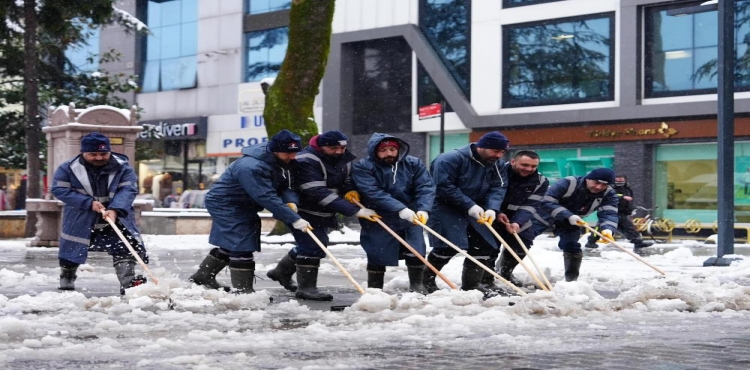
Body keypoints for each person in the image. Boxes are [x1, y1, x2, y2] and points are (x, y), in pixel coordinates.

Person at [189, 129, 310, 293]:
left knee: (236, 240)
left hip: (244, 203)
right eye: (287, 153)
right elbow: (265, 195)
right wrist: (293, 219)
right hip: (226, 203)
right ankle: (243, 291)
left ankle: (203, 276)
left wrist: (290, 202)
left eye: (295, 152)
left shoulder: (282, 162)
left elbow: (285, 186)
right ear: (274, 150)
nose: (292, 157)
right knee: (242, 242)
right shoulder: (251, 167)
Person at [266, 130, 380, 301]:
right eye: (333, 148)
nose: (339, 152)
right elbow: (316, 191)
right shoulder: (306, 160)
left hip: (324, 211)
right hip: (303, 210)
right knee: (313, 247)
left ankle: (281, 272)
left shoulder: (343, 158)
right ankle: (306, 288)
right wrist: (355, 211)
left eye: (342, 148)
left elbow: (347, 179)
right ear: (321, 147)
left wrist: (350, 190)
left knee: (315, 245)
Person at [50, 132, 148, 294]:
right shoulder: (68, 168)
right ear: (83, 152)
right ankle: (67, 277)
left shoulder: (122, 167)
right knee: (72, 248)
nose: (99, 158)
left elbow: (128, 189)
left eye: (103, 153)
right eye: (93, 154)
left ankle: (128, 283)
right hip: (81, 216)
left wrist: (115, 209)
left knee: (123, 246)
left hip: (115, 216)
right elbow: (59, 189)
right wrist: (87, 203)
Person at [422, 131, 509, 293]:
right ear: (482, 146)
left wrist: (492, 208)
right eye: (495, 151)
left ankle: (471, 287)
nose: (499, 155)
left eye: (502, 152)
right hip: (445, 206)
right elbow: (443, 186)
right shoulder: (449, 159)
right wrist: (469, 205)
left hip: (477, 208)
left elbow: (499, 186)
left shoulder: (497, 164)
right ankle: (425, 280)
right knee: (448, 245)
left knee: (483, 245)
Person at [351, 133, 435, 293]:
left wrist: (423, 208)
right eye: (383, 150)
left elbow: (425, 187)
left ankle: (417, 286)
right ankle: (375, 289)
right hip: (379, 216)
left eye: (392, 149)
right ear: (374, 150)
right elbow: (372, 192)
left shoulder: (413, 163)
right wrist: (399, 208)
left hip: (411, 214)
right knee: (377, 251)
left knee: (416, 249)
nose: (388, 153)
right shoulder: (363, 166)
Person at [532, 168, 619, 282]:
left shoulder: (608, 194)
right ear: (588, 179)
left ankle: (571, 281)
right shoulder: (568, 183)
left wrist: (608, 229)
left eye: (604, 185)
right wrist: (567, 215)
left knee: (572, 246)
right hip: (543, 216)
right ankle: (505, 272)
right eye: (597, 182)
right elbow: (547, 201)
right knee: (521, 241)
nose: (599, 187)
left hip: (572, 222)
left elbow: (609, 213)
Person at [490, 150, 549, 290]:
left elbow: (531, 204)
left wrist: (518, 222)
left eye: (533, 166)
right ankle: (486, 278)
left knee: (523, 244)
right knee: (490, 248)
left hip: (518, 217)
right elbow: (488, 194)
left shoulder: (541, 181)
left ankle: (505, 271)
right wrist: (497, 212)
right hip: (492, 214)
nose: (529, 169)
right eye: (525, 165)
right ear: (513, 162)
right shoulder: (497, 172)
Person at [585, 175, 654, 250]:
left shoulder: (627, 189)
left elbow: (629, 201)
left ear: (625, 180)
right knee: (601, 228)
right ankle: (591, 242)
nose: (619, 183)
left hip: (622, 213)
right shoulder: (610, 188)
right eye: (617, 181)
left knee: (629, 228)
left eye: (621, 181)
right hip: (610, 212)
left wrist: (630, 209)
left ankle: (637, 242)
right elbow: (612, 195)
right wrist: (622, 197)